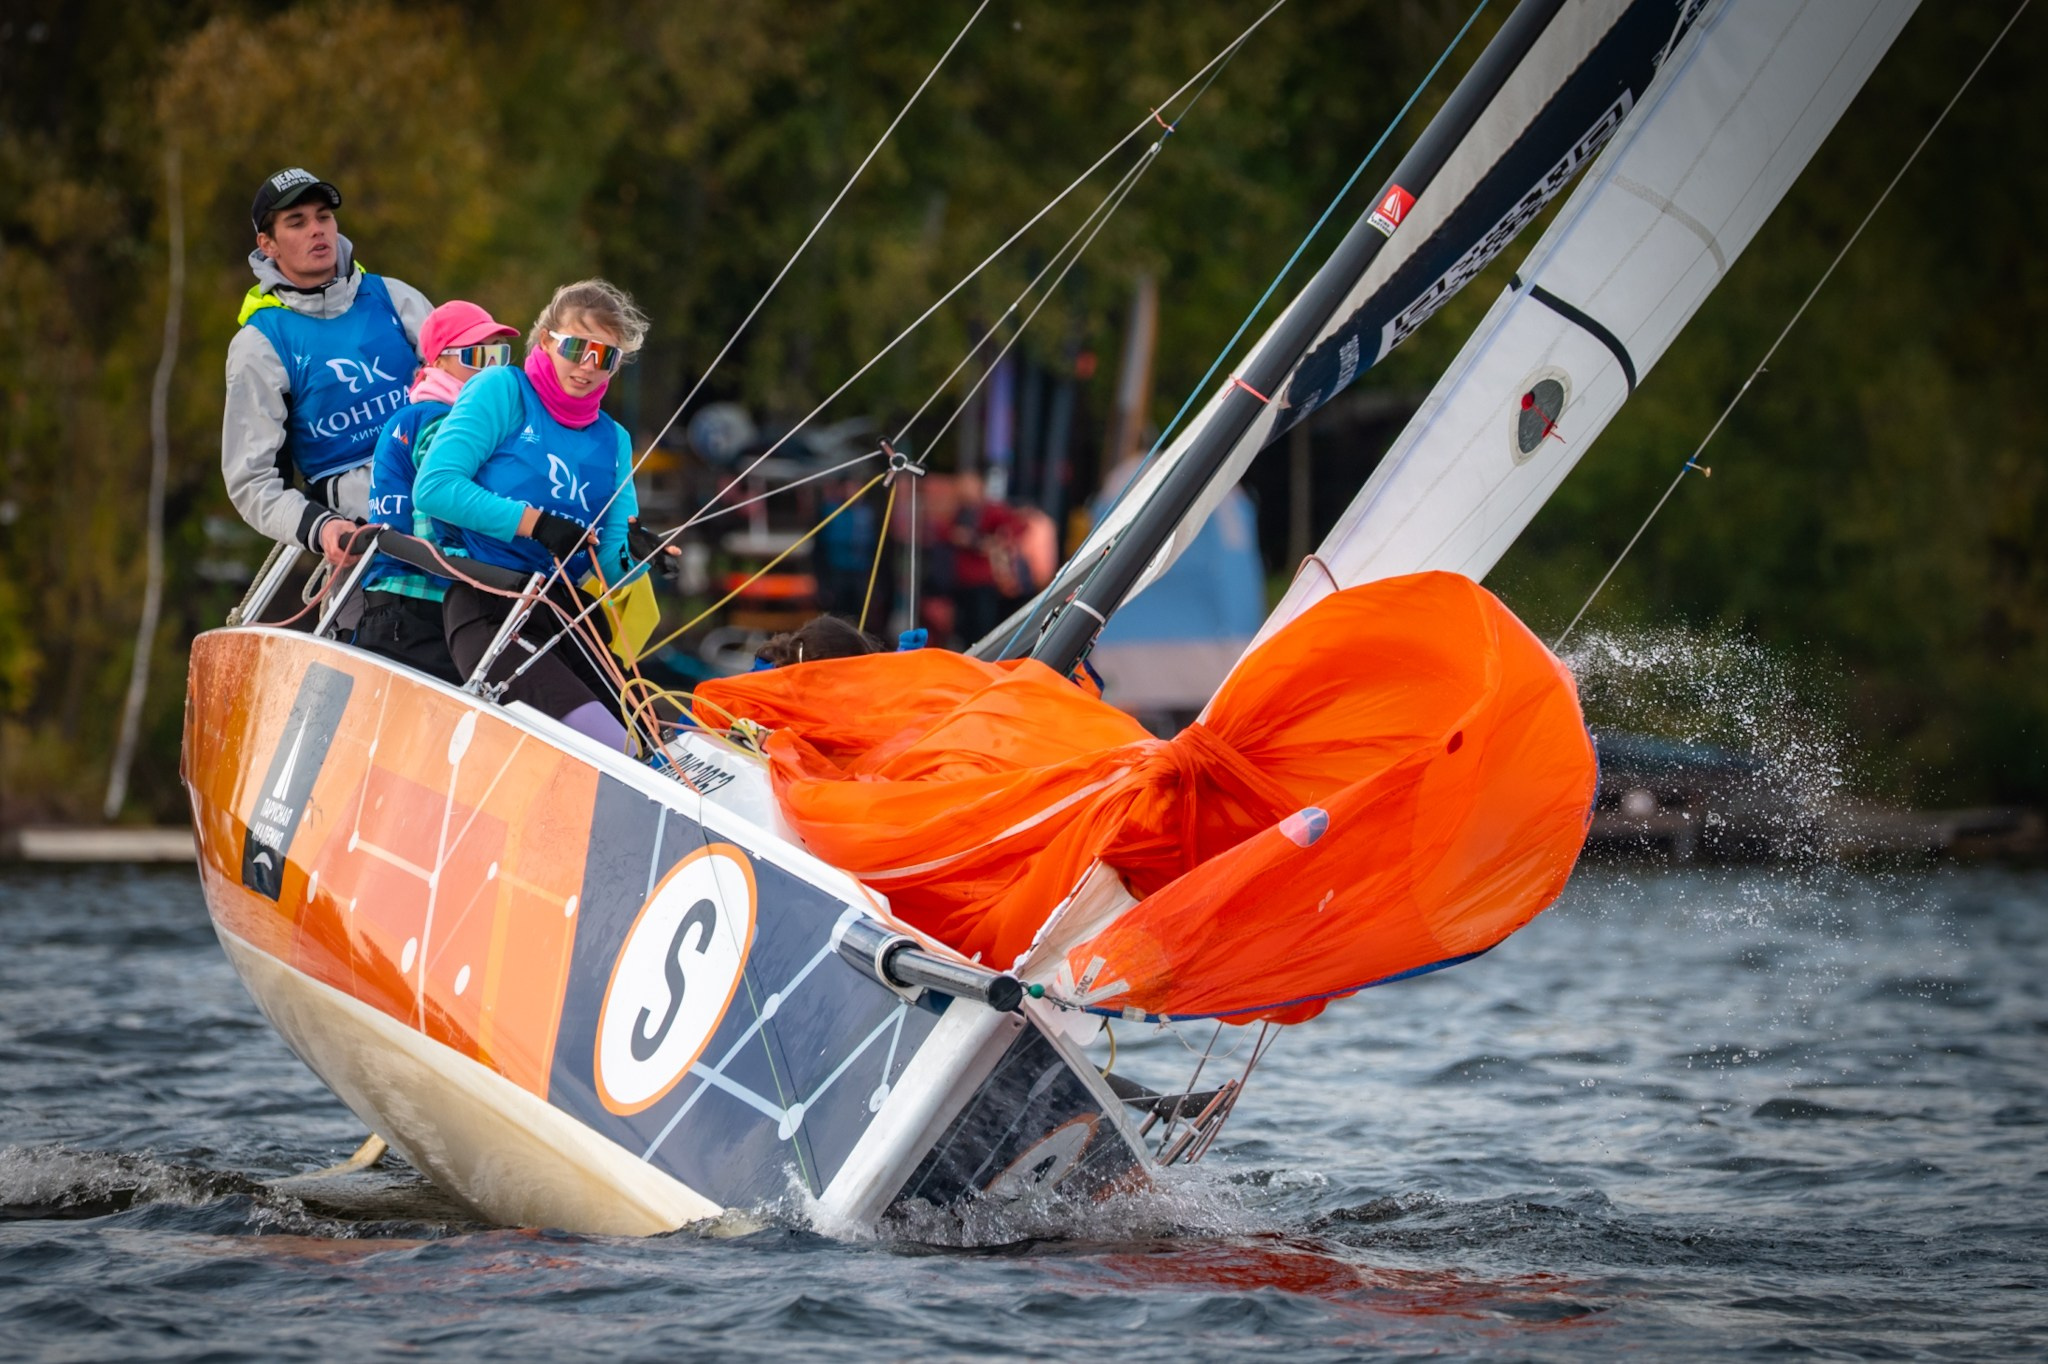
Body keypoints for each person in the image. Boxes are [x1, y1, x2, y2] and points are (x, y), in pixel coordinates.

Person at [413, 279, 653, 752]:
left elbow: (607, 562)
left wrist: (638, 556)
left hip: (567, 620)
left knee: (650, 742)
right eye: (577, 348)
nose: (587, 367)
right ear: (546, 339)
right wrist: (535, 524)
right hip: (490, 605)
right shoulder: (503, 390)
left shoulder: (614, 440)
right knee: (616, 748)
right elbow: (435, 487)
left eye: (604, 357)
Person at [222, 167, 432, 568]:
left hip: (453, 515)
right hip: (367, 548)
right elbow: (252, 482)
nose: (317, 230)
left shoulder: (394, 297)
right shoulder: (258, 346)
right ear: (267, 244)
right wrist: (321, 528)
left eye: (323, 217)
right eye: (297, 222)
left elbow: (474, 394)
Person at [354, 301, 520, 682]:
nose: (492, 366)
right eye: (477, 355)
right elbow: (446, 512)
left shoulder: (419, 415)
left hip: (405, 602)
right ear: (439, 362)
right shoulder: (439, 420)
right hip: (420, 606)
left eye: (499, 353)